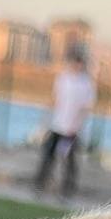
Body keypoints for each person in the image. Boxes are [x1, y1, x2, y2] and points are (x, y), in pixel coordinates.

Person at [34, 46, 95, 198]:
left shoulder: (86, 83)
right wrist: (46, 120)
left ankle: (67, 188)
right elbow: (55, 99)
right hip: (57, 124)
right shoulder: (63, 78)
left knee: (70, 160)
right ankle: (40, 183)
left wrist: (77, 124)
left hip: (73, 128)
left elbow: (86, 107)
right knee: (48, 155)